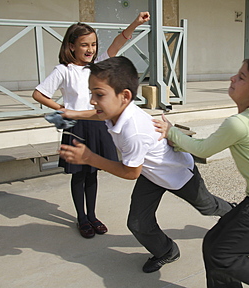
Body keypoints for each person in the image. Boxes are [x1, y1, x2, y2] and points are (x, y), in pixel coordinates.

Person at [58, 56, 233, 273]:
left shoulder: (134, 131)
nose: (92, 100)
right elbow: (98, 113)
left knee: (207, 206)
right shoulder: (114, 110)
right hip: (151, 174)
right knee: (138, 222)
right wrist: (73, 113)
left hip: (177, 174)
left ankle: (233, 213)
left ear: (125, 96)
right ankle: (166, 251)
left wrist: (90, 158)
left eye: (99, 94)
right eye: (91, 93)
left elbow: (130, 172)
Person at [153, 56, 249, 288]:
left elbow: (204, 149)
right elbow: (205, 144)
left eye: (241, 77)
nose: (232, 78)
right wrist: (179, 141)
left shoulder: (240, 123)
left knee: (222, 255)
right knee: (213, 244)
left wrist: (171, 132)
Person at [32, 12, 150, 239]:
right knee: (79, 175)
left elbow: (119, 42)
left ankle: (93, 215)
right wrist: (61, 109)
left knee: (93, 172)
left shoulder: (98, 66)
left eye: (93, 44)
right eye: (84, 44)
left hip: (97, 124)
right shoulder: (63, 70)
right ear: (71, 46)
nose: (90, 49)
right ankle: (81, 217)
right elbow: (38, 93)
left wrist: (135, 23)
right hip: (76, 127)